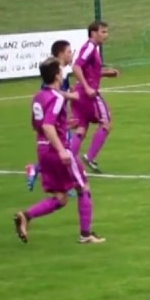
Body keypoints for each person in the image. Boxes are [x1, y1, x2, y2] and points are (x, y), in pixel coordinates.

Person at [14, 58, 104, 245]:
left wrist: (64, 124)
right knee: (83, 187)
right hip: (57, 150)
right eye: (61, 70)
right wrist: (62, 150)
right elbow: (47, 126)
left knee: (61, 198)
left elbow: (38, 125)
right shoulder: (57, 97)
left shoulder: (39, 96)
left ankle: (26, 216)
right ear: (56, 75)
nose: (63, 73)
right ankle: (86, 234)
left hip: (43, 150)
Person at [26, 40, 77, 191]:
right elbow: (51, 92)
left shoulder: (62, 71)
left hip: (58, 117)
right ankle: (65, 182)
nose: (71, 54)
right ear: (61, 54)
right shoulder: (57, 72)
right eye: (69, 52)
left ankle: (60, 181)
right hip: (54, 120)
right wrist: (71, 95)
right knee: (64, 148)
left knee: (65, 147)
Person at [70, 21, 120, 174]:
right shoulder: (90, 47)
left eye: (106, 32)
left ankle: (68, 162)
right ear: (93, 33)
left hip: (79, 94)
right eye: (103, 32)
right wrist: (87, 87)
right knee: (106, 123)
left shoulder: (91, 48)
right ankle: (90, 157)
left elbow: (88, 71)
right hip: (88, 94)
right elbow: (76, 66)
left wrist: (106, 73)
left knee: (81, 128)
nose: (106, 35)